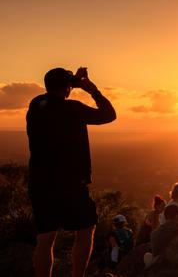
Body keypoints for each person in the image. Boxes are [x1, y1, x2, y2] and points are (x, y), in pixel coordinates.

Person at [26, 67, 116, 277]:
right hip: (71, 183)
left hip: (41, 183)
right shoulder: (73, 109)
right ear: (67, 88)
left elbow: (54, 92)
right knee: (86, 229)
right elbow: (109, 115)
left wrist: (69, 82)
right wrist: (90, 89)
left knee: (45, 238)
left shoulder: (36, 105)